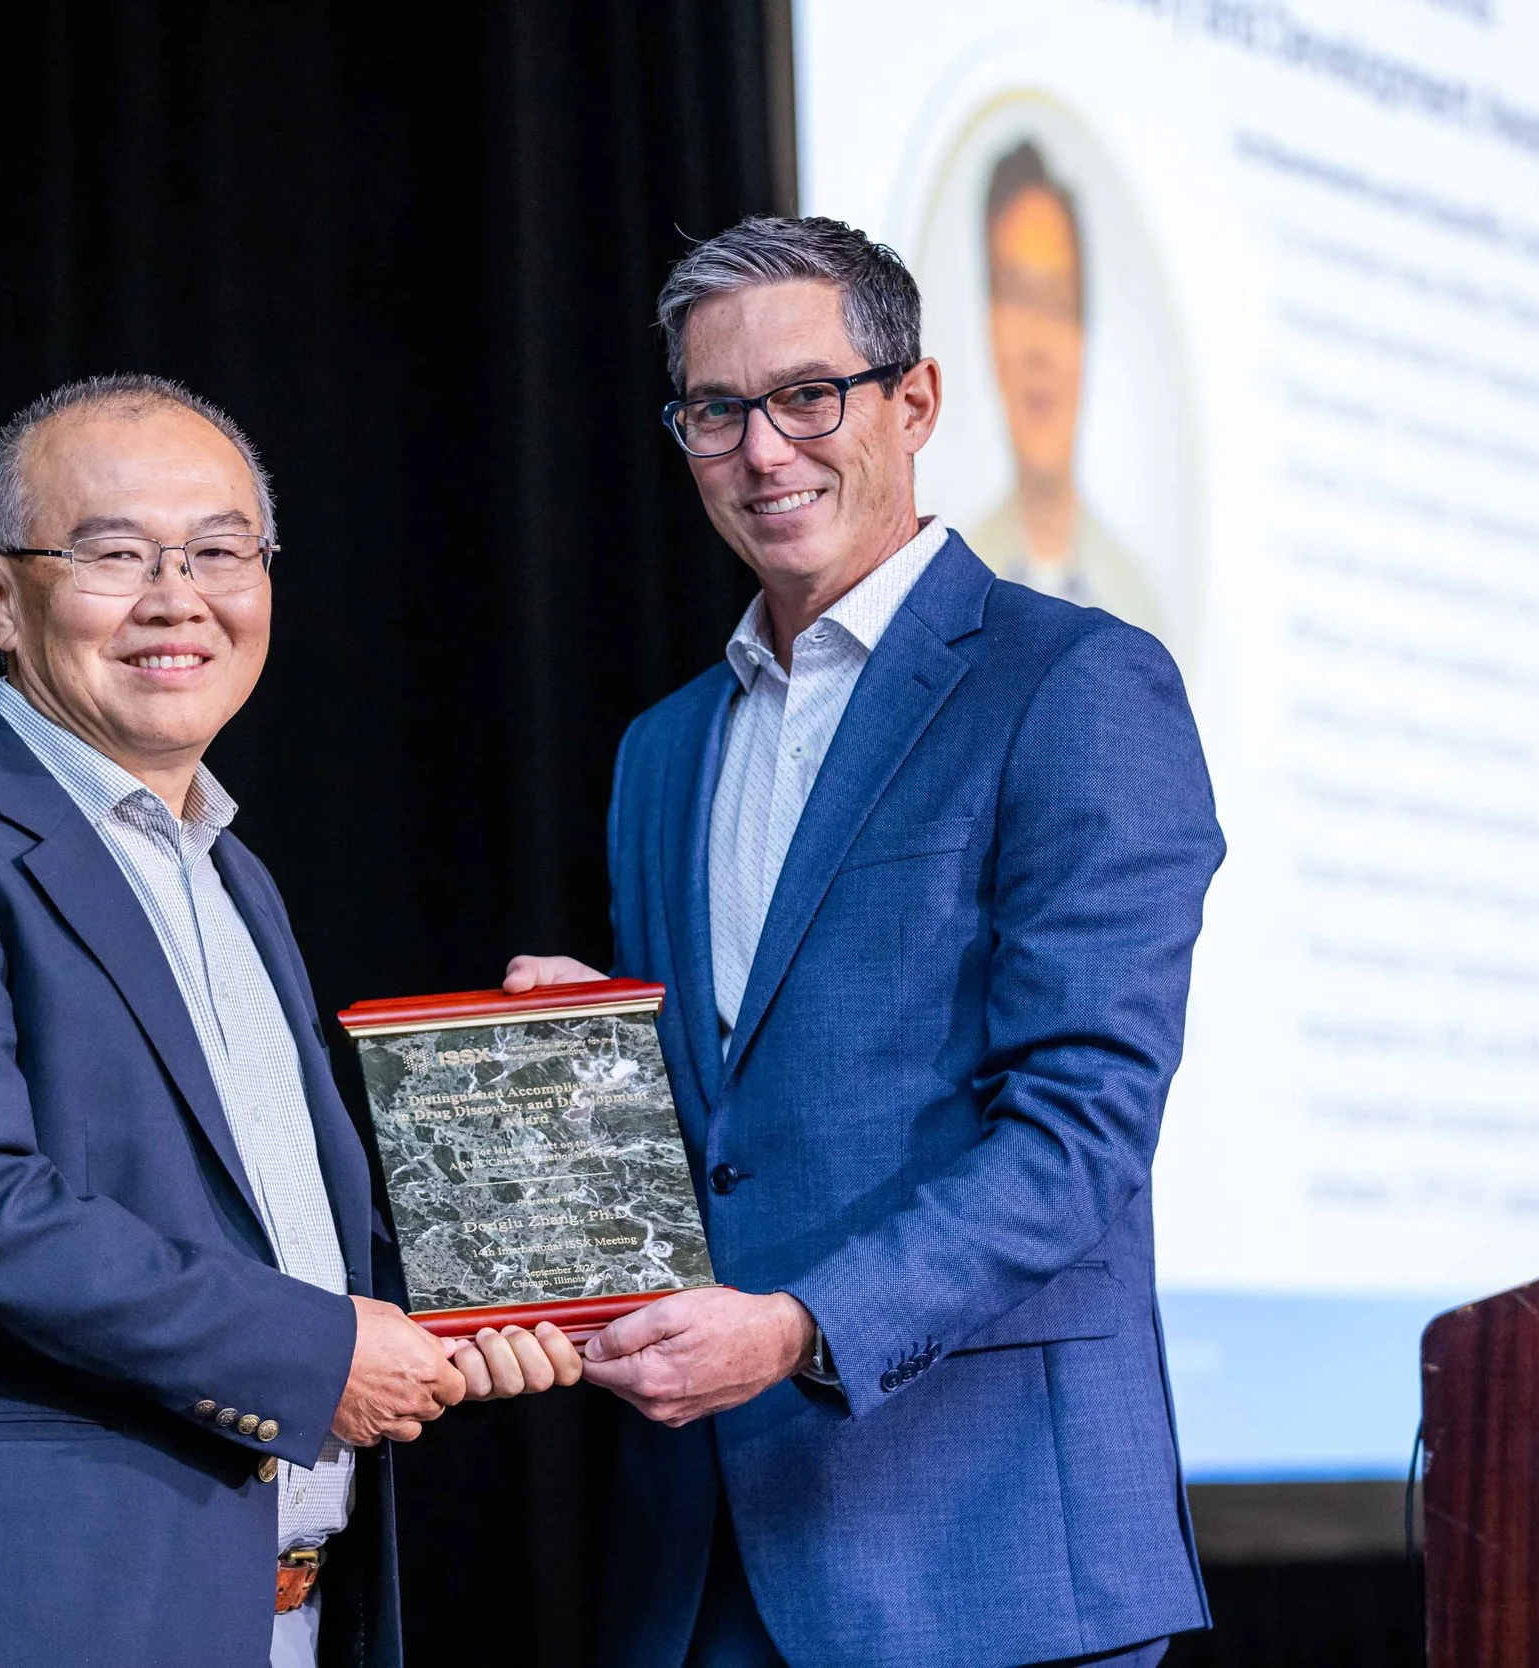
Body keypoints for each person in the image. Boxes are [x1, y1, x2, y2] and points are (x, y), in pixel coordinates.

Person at [0, 374, 579, 1668]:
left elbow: (305, 1252)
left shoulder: (230, 873)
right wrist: (320, 1357)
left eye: (219, 552)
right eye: (114, 554)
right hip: (50, 1615)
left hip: (293, 1610)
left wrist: (547, 1133)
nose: (177, 597)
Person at [507, 218, 1224, 1666]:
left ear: (916, 402)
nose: (767, 451)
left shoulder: (1074, 684)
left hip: (989, 1558)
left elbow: (1082, 1134)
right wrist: (611, 1055)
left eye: (809, 396)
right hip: (704, 1555)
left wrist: (796, 1329)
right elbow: (747, 1114)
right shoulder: (665, 749)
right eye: (719, 411)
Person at [967, 139, 1165, 644]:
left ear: (1085, 335)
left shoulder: (1139, 605)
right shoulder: (951, 589)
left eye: (1056, 303)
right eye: (1017, 298)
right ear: (989, 326)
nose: (1038, 347)